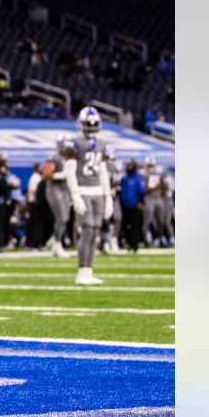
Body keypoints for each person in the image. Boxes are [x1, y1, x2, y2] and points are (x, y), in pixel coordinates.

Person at [63, 107, 114, 285]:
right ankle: (82, 271)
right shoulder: (74, 143)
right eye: (88, 123)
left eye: (94, 123)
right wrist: (75, 195)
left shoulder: (102, 144)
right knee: (87, 229)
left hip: (98, 191)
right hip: (83, 189)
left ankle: (89, 270)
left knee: (95, 229)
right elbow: (69, 171)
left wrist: (108, 197)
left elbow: (103, 172)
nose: (91, 127)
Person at [143, 156, 175, 247]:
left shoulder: (159, 174)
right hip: (149, 199)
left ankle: (161, 238)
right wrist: (156, 187)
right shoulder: (144, 174)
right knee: (148, 221)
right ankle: (147, 239)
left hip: (158, 199)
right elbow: (146, 188)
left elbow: (163, 187)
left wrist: (160, 187)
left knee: (160, 221)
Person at [119, 160, 147, 253]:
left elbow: (141, 191)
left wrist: (141, 202)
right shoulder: (124, 179)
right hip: (124, 205)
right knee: (125, 226)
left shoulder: (138, 179)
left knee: (135, 226)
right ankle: (129, 243)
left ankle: (134, 245)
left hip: (135, 205)